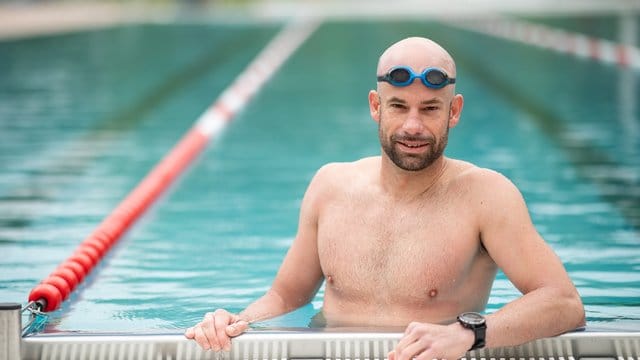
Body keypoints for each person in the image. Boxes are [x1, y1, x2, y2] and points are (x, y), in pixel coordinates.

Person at [185, 36, 585, 359]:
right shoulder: (330, 186)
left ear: (455, 111)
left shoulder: (485, 196)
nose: (414, 126)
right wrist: (235, 321)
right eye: (399, 106)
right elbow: (286, 296)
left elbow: (563, 302)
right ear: (376, 106)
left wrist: (468, 334)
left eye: (430, 108)